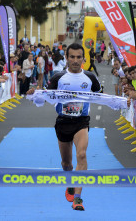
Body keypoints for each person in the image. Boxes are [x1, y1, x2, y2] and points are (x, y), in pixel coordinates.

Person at [27, 43, 101, 211]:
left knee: (81, 155)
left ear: (83, 58)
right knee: (66, 163)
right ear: (67, 58)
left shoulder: (90, 77)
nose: (75, 60)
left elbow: (101, 96)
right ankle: (70, 181)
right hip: (63, 122)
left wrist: (120, 102)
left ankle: (78, 198)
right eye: (72, 57)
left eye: (79, 57)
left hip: (81, 122)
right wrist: (35, 93)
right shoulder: (58, 77)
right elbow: (46, 96)